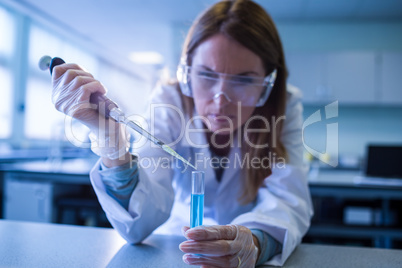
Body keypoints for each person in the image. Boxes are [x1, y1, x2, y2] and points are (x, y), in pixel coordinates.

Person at [51, 0, 313, 266]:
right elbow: (137, 226)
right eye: (207, 75)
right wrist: (110, 143)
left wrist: (257, 241)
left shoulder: (285, 106)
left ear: (268, 84)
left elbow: (288, 201)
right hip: (176, 247)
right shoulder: (168, 101)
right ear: (187, 73)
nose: (220, 101)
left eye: (244, 80)